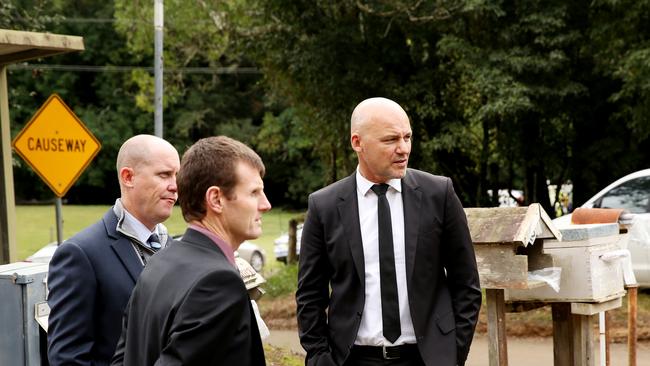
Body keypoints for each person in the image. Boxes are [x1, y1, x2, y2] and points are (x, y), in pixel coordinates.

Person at [296, 97, 482, 366]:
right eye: (390, 140)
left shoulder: (438, 194)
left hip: (426, 358)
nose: (403, 148)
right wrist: (320, 358)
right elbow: (309, 296)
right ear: (357, 142)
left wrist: (452, 354)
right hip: (352, 359)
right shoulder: (324, 205)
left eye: (407, 137)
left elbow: (466, 284)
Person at [111, 136, 270, 366]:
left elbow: (121, 360)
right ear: (216, 199)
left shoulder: (160, 261)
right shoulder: (218, 282)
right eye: (254, 192)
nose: (265, 204)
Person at [47, 134, 180, 366]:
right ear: (128, 177)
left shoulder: (172, 247)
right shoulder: (80, 254)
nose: (175, 186)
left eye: (176, 175)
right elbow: (68, 358)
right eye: (164, 175)